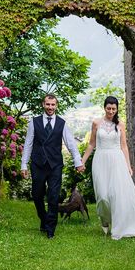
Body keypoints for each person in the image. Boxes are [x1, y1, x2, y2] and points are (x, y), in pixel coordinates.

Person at [21, 94, 85, 239]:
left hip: (55, 165)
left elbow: (71, 144)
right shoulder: (34, 122)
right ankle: (43, 219)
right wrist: (24, 164)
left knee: (53, 196)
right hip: (38, 164)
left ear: (56, 106)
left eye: (53, 105)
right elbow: (28, 144)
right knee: (37, 195)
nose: (50, 107)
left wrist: (78, 162)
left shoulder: (62, 123)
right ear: (43, 104)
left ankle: (50, 229)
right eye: (48, 104)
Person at [81, 96, 135, 239]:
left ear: (117, 109)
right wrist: (82, 162)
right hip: (100, 160)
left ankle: (119, 225)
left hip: (117, 161)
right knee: (102, 195)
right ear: (104, 108)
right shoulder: (96, 123)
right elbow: (91, 144)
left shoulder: (120, 125)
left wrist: (128, 166)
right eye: (108, 108)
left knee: (115, 195)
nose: (111, 111)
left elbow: (124, 146)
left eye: (113, 109)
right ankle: (104, 220)